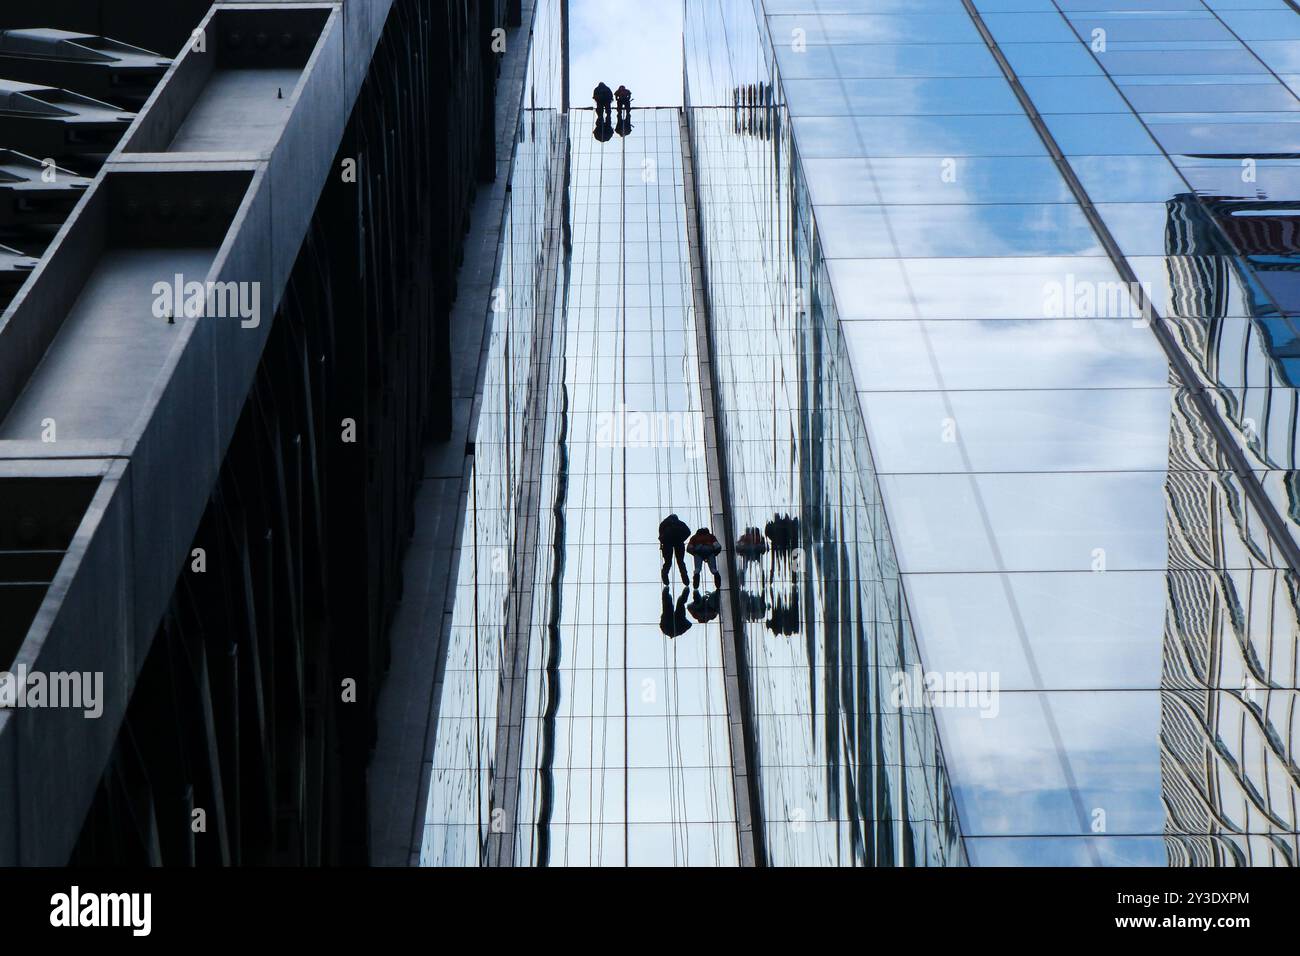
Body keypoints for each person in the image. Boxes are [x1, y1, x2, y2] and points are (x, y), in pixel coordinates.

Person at [658, 513, 691, 586]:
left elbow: (660, 534)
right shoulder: (680, 523)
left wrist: (663, 540)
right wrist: (682, 539)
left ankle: (665, 574)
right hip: (679, 543)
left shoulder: (664, 523)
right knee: (680, 561)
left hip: (667, 543)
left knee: (668, 562)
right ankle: (685, 577)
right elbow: (688, 532)